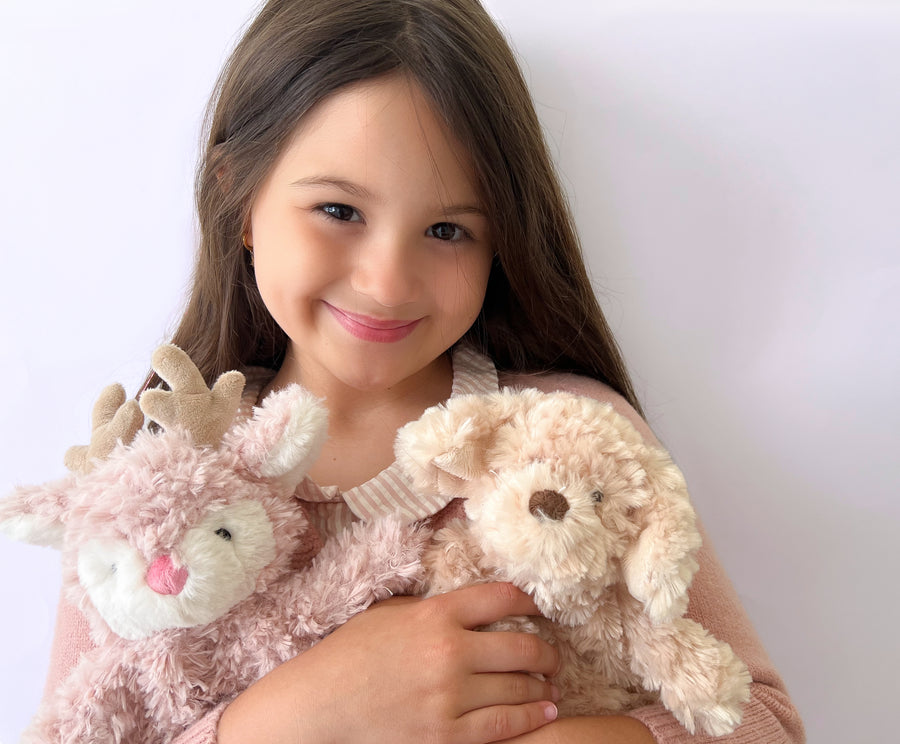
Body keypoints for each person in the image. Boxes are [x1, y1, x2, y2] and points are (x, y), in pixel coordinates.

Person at [40, 0, 806, 742]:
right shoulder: (148, 482)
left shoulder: (569, 440)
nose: (386, 283)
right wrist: (292, 721)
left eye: (446, 229)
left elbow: (762, 724)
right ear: (236, 196)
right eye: (339, 211)